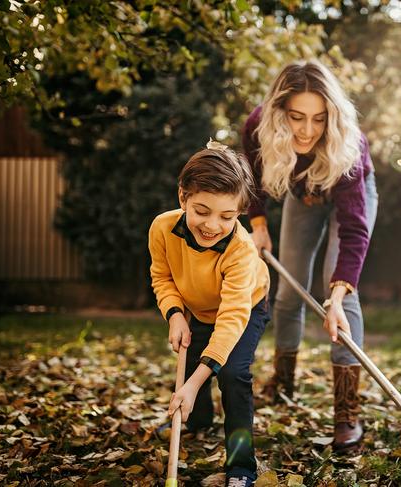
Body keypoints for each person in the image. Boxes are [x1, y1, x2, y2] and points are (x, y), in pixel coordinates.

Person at [242, 59, 378, 451]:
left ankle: (346, 414)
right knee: (287, 291)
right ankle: (283, 383)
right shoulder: (257, 126)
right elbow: (252, 180)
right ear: (280, 111)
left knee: (342, 299)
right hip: (304, 195)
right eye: (297, 117)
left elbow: (354, 230)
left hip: (349, 193)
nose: (307, 130)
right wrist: (259, 226)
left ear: (331, 117)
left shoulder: (349, 145)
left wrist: (335, 297)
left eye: (319, 119)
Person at [148, 142, 270, 487]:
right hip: (196, 306)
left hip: (245, 307)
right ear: (183, 197)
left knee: (231, 373)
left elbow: (231, 319)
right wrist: (174, 314)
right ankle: (198, 421)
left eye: (227, 217)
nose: (212, 225)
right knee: (191, 366)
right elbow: (163, 276)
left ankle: (241, 466)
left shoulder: (241, 251)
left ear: (239, 213)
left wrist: (196, 380)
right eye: (202, 211)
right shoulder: (161, 228)